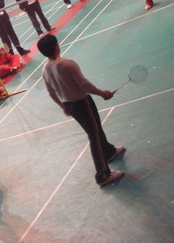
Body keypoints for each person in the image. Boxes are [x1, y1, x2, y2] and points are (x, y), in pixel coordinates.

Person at [37, 34, 125, 187]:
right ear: (56, 46)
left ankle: (108, 152)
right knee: (94, 135)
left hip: (69, 104)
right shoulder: (67, 64)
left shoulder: (45, 69)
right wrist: (102, 93)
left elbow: (51, 92)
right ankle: (102, 175)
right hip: (82, 103)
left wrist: (63, 106)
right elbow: (84, 85)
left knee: (95, 129)